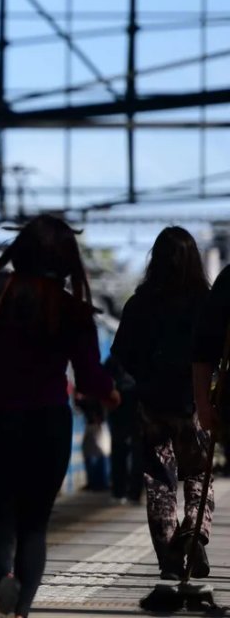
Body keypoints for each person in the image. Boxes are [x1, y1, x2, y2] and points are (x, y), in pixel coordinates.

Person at [0, 215, 121, 618]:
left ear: (21, 250)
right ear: (66, 261)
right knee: (33, 528)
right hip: (47, 426)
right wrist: (109, 392)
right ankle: (20, 610)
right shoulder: (72, 309)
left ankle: (4, 585)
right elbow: (89, 373)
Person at [111, 226, 212, 579]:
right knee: (200, 473)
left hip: (153, 407)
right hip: (195, 406)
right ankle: (195, 532)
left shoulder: (140, 302)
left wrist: (146, 376)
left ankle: (170, 561)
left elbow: (120, 354)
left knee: (159, 485)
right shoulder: (206, 302)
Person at [103, 353, 143, 504]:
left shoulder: (114, 356)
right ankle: (134, 492)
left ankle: (119, 491)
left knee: (119, 448)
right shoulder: (143, 352)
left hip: (118, 405)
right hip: (137, 404)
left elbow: (103, 378)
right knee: (138, 449)